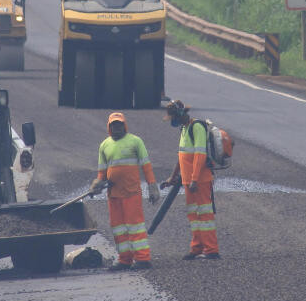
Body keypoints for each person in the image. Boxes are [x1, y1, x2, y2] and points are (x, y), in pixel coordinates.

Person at [91, 112, 160, 271]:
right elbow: (101, 173)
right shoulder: (104, 145)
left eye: (119, 124)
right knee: (119, 229)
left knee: (135, 227)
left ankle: (143, 259)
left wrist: (152, 186)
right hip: (114, 195)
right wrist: (97, 184)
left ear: (124, 125)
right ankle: (125, 260)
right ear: (109, 127)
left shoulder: (135, 141)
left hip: (131, 193)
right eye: (114, 124)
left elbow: (146, 166)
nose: (117, 127)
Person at [161, 100, 219, 260]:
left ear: (179, 115)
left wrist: (194, 179)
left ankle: (211, 249)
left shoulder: (197, 127)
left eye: (172, 117)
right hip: (188, 182)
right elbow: (181, 156)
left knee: (204, 215)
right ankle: (197, 248)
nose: (171, 120)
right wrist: (172, 177)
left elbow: (200, 155)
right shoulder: (184, 128)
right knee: (194, 216)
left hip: (199, 180)